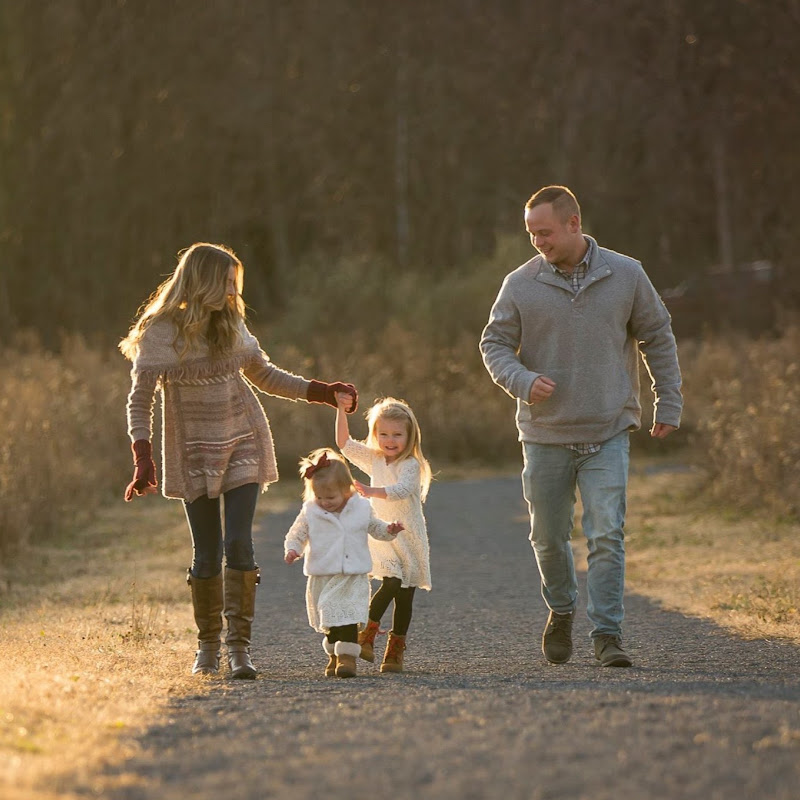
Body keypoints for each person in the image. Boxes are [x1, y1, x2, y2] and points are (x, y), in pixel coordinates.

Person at [119, 242, 358, 679]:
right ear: (203, 281)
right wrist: (142, 455)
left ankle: (239, 649)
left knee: (239, 543)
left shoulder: (232, 323)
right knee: (207, 552)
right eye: (227, 283)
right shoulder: (160, 332)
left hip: (242, 440)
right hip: (191, 450)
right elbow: (139, 400)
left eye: (235, 283)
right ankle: (207, 647)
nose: (233, 292)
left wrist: (323, 392)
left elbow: (264, 375)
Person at [479, 185, 682, 668]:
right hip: (545, 435)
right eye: (531, 234)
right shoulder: (519, 283)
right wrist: (522, 380)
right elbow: (494, 344)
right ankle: (561, 607)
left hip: (608, 429)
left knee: (607, 534)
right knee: (548, 537)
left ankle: (607, 635)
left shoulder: (626, 273)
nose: (538, 242)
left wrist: (668, 401)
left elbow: (657, 335)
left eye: (545, 232)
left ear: (574, 223)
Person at [284, 448, 403, 678]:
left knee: (348, 615)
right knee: (330, 617)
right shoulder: (311, 511)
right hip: (324, 575)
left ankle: (347, 657)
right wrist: (293, 549)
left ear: (347, 490)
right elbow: (297, 533)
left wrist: (390, 530)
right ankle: (334, 654)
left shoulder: (361, 508)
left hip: (353, 575)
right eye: (319, 497)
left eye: (330, 498)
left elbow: (375, 527)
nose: (324, 503)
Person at [335, 394, 432, 673]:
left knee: (405, 596)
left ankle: (395, 650)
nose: (390, 441)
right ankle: (366, 634)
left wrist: (370, 490)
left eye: (397, 434)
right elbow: (344, 443)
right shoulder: (375, 458)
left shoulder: (411, 465)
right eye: (384, 434)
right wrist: (340, 409)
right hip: (383, 533)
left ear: (410, 436)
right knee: (390, 582)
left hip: (409, 536)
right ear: (376, 435)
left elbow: (401, 490)